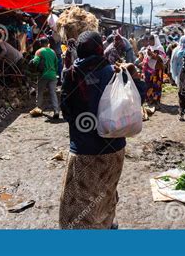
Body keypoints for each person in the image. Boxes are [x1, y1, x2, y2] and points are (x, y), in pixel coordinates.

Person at [60, 31, 145, 229]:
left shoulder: (71, 75)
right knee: (105, 193)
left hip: (83, 150)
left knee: (78, 202)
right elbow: (138, 97)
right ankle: (106, 226)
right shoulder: (115, 72)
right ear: (100, 48)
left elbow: (66, 112)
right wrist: (135, 76)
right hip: (114, 149)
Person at [31, 37, 60, 118]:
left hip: (43, 75)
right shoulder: (53, 51)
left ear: (40, 44)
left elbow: (35, 62)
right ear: (48, 43)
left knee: (40, 92)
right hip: (53, 75)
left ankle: (38, 108)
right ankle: (56, 111)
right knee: (53, 93)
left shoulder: (39, 51)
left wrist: (36, 68)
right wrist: (55, 72)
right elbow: (56, 64)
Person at [143, 34, 167, 106]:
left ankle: (156, 100)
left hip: (157, 70)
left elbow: (162, 58)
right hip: (149, 71)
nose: (149, 42)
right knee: (149, 85)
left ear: (155, 40)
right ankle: (150, 99)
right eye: (148, 40)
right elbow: (145, 58)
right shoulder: (149, 48)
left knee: (157, 85)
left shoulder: (159, 48)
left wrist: (152, 55)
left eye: (150, 40)